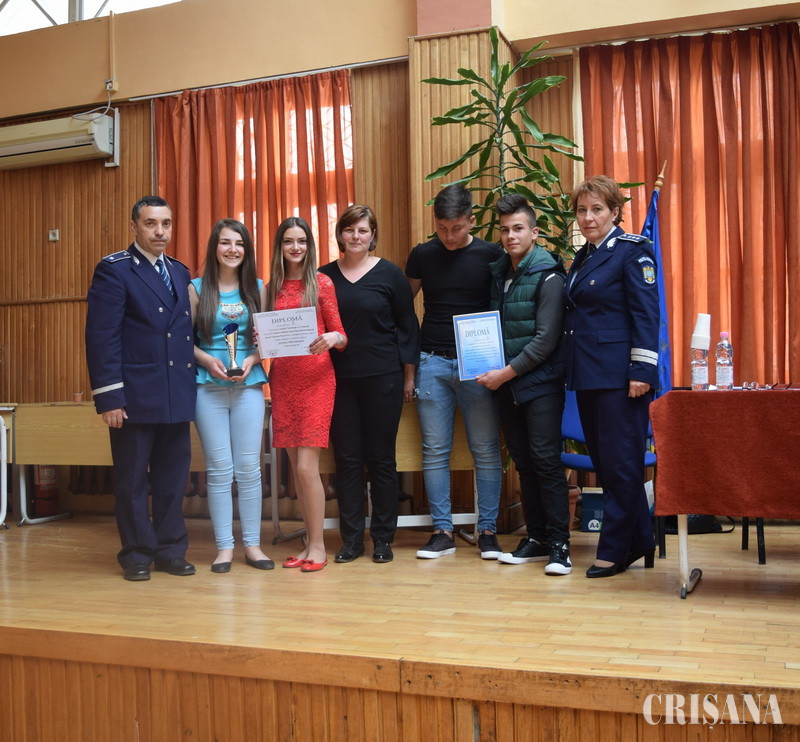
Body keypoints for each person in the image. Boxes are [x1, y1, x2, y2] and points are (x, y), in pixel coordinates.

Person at [85, 196, 196, 581]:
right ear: (134, 226)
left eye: (166, 223)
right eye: (151, 223)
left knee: (172, 480)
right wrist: (109, 397)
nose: (160, 231)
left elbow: (183, 335)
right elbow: (102, 338)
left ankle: (170, 551)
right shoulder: (115, 270)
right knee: (132, 481)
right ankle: (135, 554)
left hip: (174, 393)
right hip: (133, 397)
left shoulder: (179, 272)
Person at [564, 175, 660, 578]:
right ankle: (639, 539)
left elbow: (646, 315)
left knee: (621, 466)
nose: (588, 218)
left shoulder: (632, 251)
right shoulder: (584, 256)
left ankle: (614, 550)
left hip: (622, 379)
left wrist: (642, 371)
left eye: (597, 209)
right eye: (582, 210)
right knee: (607, 466)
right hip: (589, 375)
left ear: (615, 212)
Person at [405, 184, 504, 559]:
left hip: (478, 364)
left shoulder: (492, 255)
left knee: (485, 449)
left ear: (472, 221)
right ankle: (442, 531)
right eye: (442, 228)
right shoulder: (422, 255)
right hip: (431, 360)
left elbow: (504, 307)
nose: (448, 236)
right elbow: (403, 308)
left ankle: (488, 530)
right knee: (434, 451)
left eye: (457, 228)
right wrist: (410, 367)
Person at [476, 194, 571, 575]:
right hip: (508, 387)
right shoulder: (500, 273)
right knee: (526, 465)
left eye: (518, 229)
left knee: (546, 463)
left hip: (540, 385)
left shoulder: (549, 275)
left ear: (534, 232)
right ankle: (537, 538)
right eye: (505, 230)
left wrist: (504, 374)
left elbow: (546, 341)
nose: (511, 236)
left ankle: (560, 546)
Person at [319, 205, 419, 565]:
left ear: (372, 235)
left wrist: (409, 376)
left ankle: (382, 539)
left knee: (381, 460)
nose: (356, 236)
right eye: (349, 230)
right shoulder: (323, 277)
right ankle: (351, 540)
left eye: (363, 230)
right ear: (340, 235)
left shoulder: (390, 274)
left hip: (384, 378)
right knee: (347, 461)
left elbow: (408, 328)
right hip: (338, 382)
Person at [189, 219, 273, 573]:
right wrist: (207, 360)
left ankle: (252, 545)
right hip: (207, 389)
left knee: (250, 468)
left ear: (246, 250)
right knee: (220, 469)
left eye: (239, 244)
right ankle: (224, 547)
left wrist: (252, 359)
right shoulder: (196, 289)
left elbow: (268, 339)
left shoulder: (258, 288)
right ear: (215, 247)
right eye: (225, 243)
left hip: (248, 387)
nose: (232, 249)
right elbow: (183, 342)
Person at [264, 216, 347, 573]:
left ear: (309, 246)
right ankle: (308, 542)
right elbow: (264, 334)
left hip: (316, 381)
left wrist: (331, 337)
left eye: (301, 241)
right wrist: (260, 337)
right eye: (288, 241)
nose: (295, 247)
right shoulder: (272, 287)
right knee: (296, 471)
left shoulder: (321, 283)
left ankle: (318, 546)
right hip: (283, 380)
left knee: (305, 467)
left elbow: (341, 335)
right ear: (280, 246)